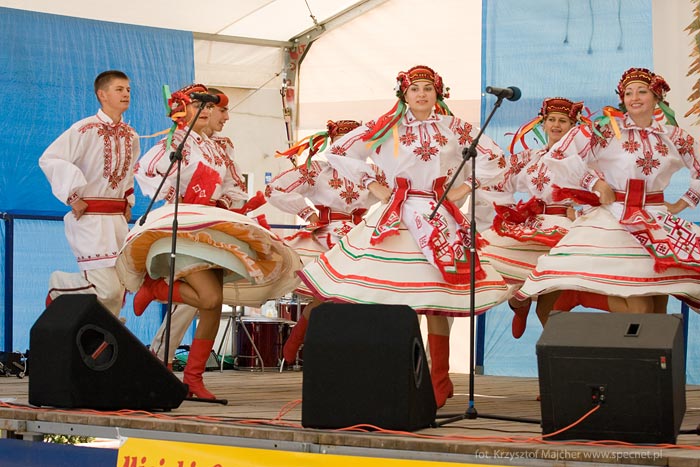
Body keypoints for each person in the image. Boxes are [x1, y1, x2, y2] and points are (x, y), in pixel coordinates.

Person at [297, 65, 510, 408]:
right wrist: (372, 183)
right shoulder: (386, 126)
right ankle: (387, 372)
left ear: (438, 93)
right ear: (404, 95)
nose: (422, 94)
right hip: (395, 215)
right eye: (415, 89)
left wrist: (465, 187)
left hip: (437, 213)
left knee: (437, 299)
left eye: (428, 88)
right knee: (384, 296)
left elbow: (498, 158)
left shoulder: (454, 127)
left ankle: (439, 381)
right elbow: (338, 152)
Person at [118, 83, 300, 400]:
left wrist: (238, 206)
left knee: (213, 304)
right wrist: (176, 179)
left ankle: (193, 379)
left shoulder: (216, 147)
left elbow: (229, 183)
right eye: (199, 106)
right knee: (211, 299)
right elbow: (148, 171)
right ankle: (157, 291)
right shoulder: (176, 142)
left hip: (212, 226)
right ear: (184, 109)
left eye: (208, 107)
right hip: (185, 224)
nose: (208, 112)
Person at [517, 67, 700, 320]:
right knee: (640, 305)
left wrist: (682, 203)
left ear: (656, 96)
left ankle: (652, 358)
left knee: (658, 305)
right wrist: (594, 183)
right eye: (628, 93)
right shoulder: (607, 130)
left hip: (655, 219)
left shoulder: (674, 137)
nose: (634, 97)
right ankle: (575, 296)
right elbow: (558, 155)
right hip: (615, 218)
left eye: (642, 91)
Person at [265, 119, 387, 364]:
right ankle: (303, 346)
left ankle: (312, 347)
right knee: (333, 293)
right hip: (327, 233)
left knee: (349, 294)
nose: (346, 148)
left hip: (360, 233)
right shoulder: (317, 170)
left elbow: (398, 193)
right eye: (340, 142)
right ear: (332, 144)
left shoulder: (373, 173)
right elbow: (274, 189)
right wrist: (307, 213)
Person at [479, 97, 598, 338]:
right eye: (551, 120)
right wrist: (510, 211)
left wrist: (581, 214)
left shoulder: (583, 160)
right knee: (489, 255)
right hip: (533, 224)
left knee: (548, 300)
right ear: (542, 124)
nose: (556, 125)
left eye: (563, 121)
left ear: (573, 127)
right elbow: (498, 181)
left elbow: (600, 191)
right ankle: (519, 305)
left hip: (564, 226)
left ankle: (560, 356)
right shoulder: (531, 158)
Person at [40, 70, 139, 317]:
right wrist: (72, 196)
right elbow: (51, 158)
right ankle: (59, 286)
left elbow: (128, 173)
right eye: (119, 89)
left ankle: (104, 345)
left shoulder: (132, 135)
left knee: (119, 290)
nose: (126, 93)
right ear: (102, 94)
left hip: (117, 220)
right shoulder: (84, 129)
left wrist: (128, 200)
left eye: (128, 89)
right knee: (107, 290)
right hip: (90, 218)